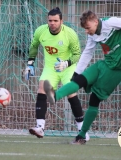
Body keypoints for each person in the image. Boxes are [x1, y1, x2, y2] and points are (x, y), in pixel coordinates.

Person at [43, 10, 121, 144]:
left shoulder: (111, 23)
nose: (87, 31)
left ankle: (82, 135)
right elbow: (87, 53)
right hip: (105, 64)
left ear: (96, 22)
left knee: (94, 99)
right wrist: (77, 73)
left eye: (88, 28)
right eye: (85, 29)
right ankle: (54, 96)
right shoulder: (92, 35)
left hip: (117, 70)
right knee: (79, 80)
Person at [25, 7, 89, 141]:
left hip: (68, 68)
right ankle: (40, 128)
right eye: (50, 20)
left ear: (61, 21)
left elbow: (77, 54)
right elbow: (34, 46)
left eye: (55, 20)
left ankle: (82, 131)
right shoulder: (40, 31)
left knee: (71, 93)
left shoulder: (70, 34)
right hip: (50, 68)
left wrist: (66, 63)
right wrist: (30, 63)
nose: (52, 23)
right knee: (41, 88)